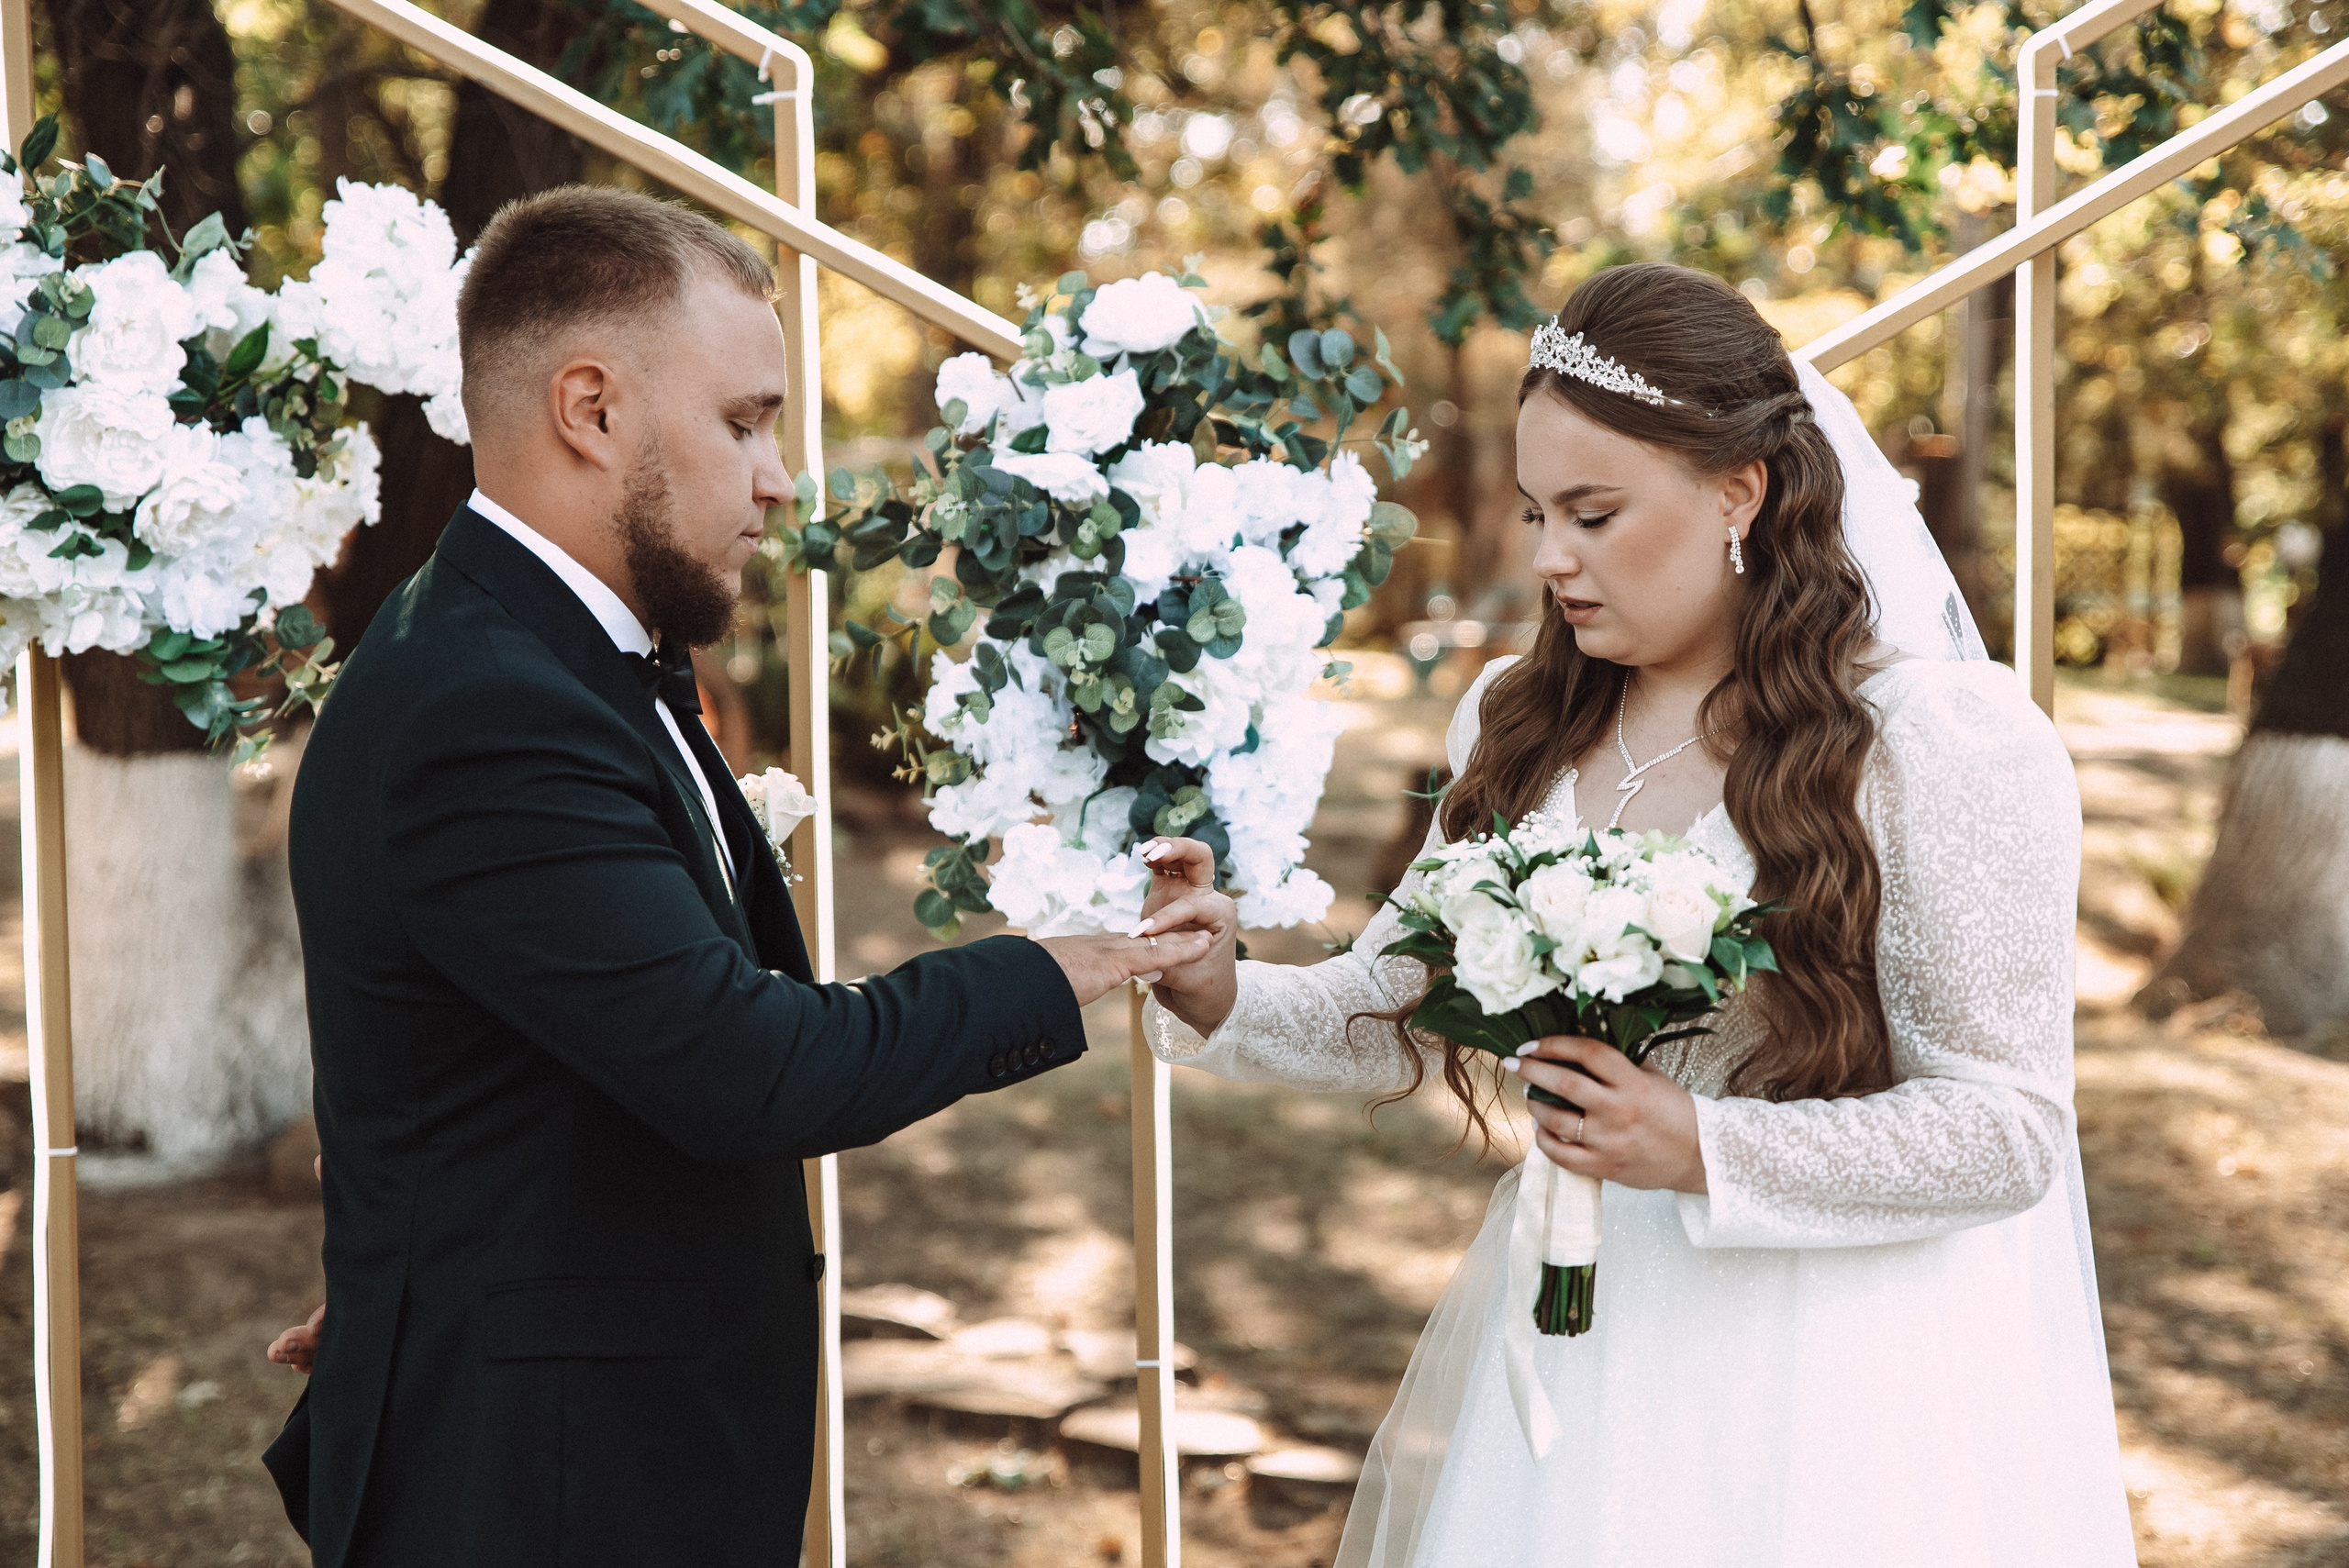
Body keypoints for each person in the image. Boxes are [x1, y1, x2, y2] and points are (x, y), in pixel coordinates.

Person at [1133, 263, 2138, 1567]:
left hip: (1839, 1380)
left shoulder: (1935, 743)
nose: (1553, 557)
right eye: (1543, 511)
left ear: (1740, 490)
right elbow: (1392, 1004)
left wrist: (1705, 1147)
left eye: (1597, 514)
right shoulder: (1524, 719)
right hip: (1589, 1353)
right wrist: (1222, 989)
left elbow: (2007, 1128)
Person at [268, 184, 1204, 1567]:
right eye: (745, 422)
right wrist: (1047, 969)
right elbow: (744, 1065)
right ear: (590, 409)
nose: (779, 479)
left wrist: (421, 1243)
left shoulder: (564, 656)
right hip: (541, 1487)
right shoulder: (487, 703)